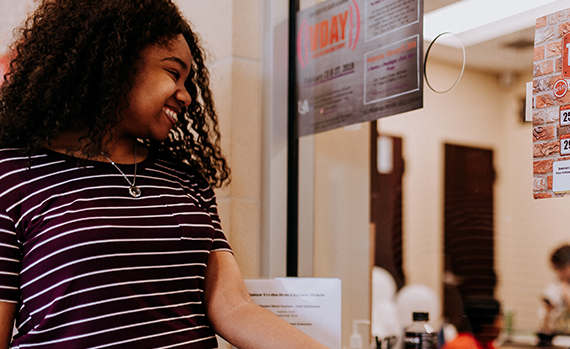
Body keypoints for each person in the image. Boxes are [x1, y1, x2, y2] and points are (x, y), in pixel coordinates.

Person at [0, 1, 327, 348]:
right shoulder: (14, 173)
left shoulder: (185, 180)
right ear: (115, 63)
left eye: (188, 80)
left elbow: (234, 306)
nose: (186, 95)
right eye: (173, 73)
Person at [538, 244, 570, 338]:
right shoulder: (552, 289)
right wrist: (548, 312)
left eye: (563, 268)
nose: (559, 273)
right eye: (556, 268)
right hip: (556, 344)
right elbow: (545, 330)